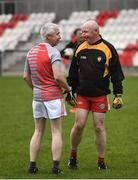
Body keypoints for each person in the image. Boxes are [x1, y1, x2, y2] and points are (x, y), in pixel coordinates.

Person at [66, 20, 125, 170]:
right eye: (82, 31)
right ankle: (73, 155)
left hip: (100, 95)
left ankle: (101, 160)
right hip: (82, 95)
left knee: (99, 127)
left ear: (95, 32)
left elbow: (116, 73)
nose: (82, 34)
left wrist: (118, 93)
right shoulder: (79, 48)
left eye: (85, 31)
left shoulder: (108, 48)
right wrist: (69, 91)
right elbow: (73, 72)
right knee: (79, 125)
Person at [23, 22, 72, 174]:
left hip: (37, 97)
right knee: (56, 131)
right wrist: (68, 88)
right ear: (48, 36)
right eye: (57, 33)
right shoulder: (53, 52)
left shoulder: (30, 52)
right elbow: (58, 76)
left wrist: (36, 88)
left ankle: (32, 166)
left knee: (37, 131)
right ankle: (56, 167)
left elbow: (25, 76)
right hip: (52, 96)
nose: (60, 36)